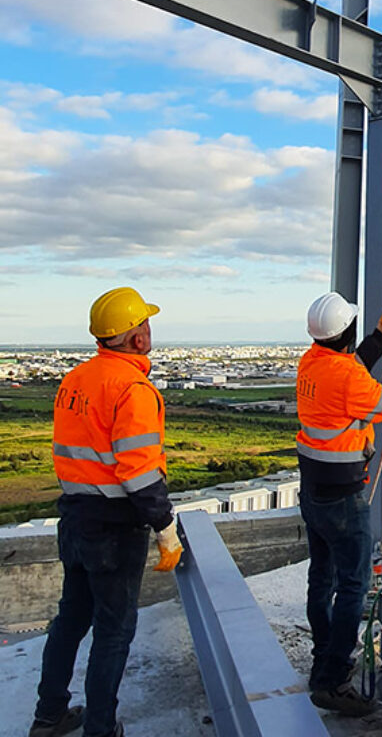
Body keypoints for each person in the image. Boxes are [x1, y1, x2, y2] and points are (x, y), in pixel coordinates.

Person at [31, 288, 182, 737]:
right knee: (113, 632)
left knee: (71, 619)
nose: (149, 331)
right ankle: (99, 729)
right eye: (146, 324)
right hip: (114, 529)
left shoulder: (75, 379)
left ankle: (49, 715)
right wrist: (165, 526)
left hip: (74, 518)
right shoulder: (133, 389)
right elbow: (138, 473)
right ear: (137, 339)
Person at [296, 292, 382, 717]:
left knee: (321, 577)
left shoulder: (311, 362)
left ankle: (323, 655)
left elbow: (350, 365)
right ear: (346, 332)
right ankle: (332, 678)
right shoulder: (347, 379)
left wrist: (379, 335)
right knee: (353, 585)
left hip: (314, 489)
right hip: (344, 496)